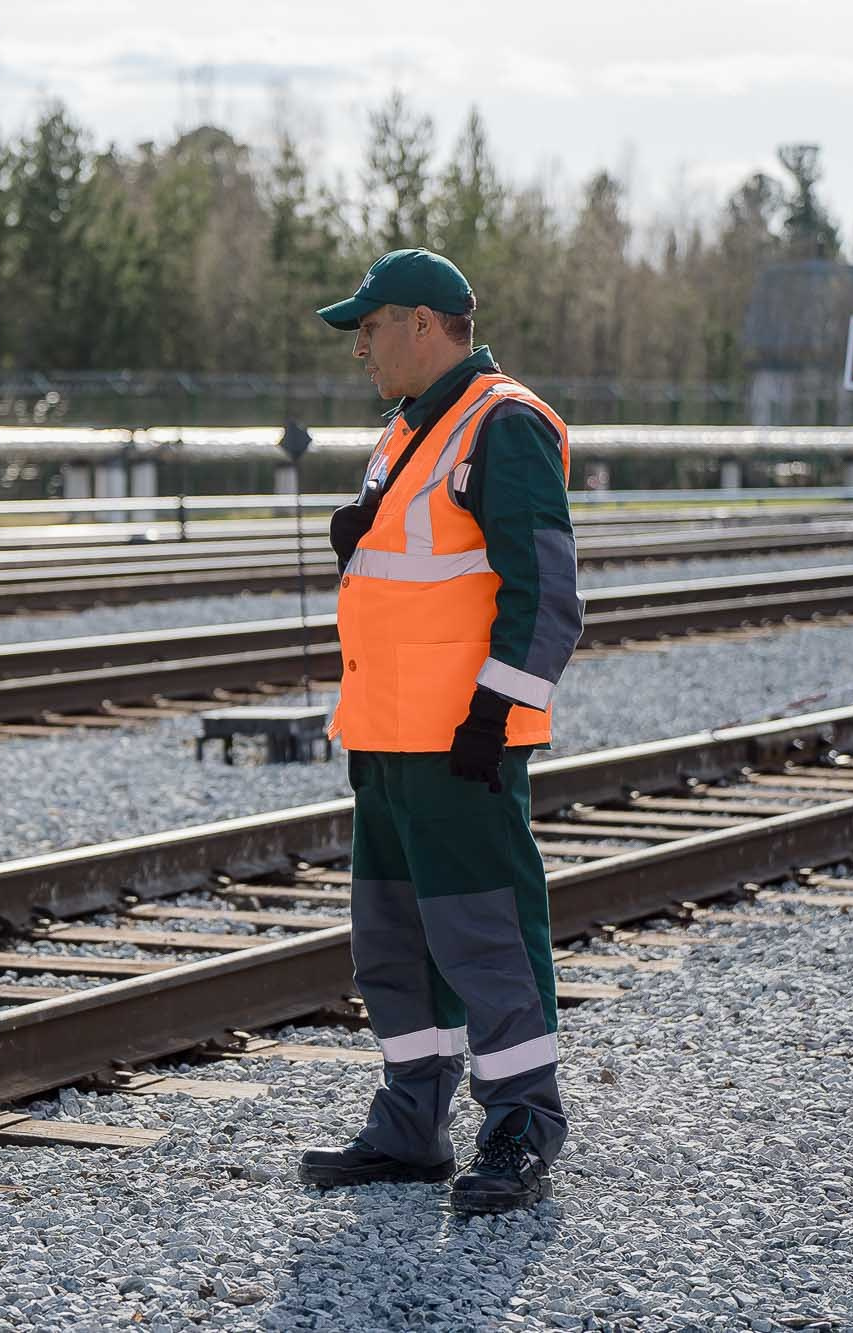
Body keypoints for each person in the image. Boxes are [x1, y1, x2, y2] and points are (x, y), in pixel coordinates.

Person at [296, 248, 582, 1215]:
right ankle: (413, 1121)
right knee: (395, 944)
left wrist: (496, 716)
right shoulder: (408, 432)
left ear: (423, 323)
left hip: (460, 742)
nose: (359, 352)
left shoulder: (502, 422)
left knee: (486, 936)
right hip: (384, 739)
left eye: (369, 330)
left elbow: (547, 594)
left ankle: (521, 1123)